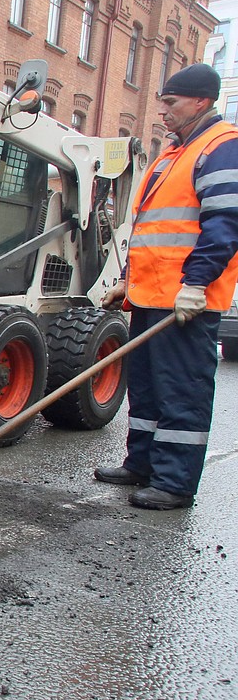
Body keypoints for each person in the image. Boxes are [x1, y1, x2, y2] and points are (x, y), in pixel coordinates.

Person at [95, 63, 238, 510]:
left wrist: (196, 284)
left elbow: (224, 225)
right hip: (149, 296)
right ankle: (142, 464)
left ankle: (174, 483)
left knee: (181, 390)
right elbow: (154, 233)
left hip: (185, 301)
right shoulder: (174, 152)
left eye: (171, 103)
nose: (163, 112)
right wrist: (127, 283)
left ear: (201, 101)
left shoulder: (220, 148)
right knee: (148, 388)